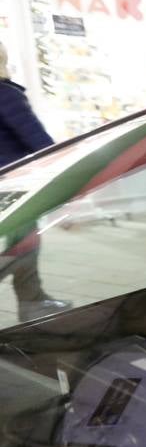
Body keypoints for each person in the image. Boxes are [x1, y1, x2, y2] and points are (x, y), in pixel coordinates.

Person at [0, 43, 72, 322]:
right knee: (22, 248)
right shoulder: (6, 95)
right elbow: (40, 143)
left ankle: (34, 301)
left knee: (24, 242)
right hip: (13, 186)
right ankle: (33, 302)